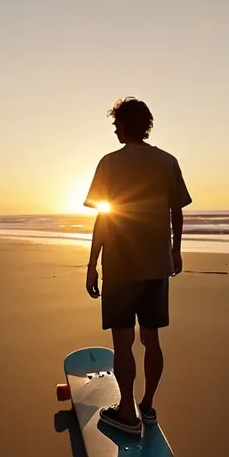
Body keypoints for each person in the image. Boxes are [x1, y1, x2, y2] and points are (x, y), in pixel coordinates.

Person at [84, 97, 192, 434]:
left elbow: (105, 215)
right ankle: (147, 404)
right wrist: (175, 251)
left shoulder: (110, 163)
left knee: (122, 342)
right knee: (151, 340)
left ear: (127, 125)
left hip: (121, 266)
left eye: (117, 123)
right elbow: (177, 211)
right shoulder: (167, 161)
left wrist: (92, 263)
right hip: (157, 264)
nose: (115, 128)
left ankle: (127, 413)